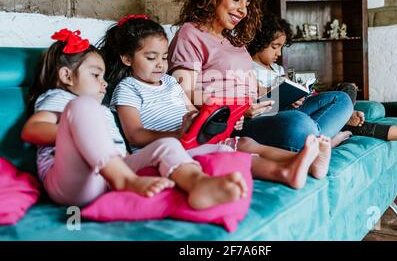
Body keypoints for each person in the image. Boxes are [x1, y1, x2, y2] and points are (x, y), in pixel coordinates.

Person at [100, 15, 332, 189]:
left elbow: (193, 112)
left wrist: (221, 120)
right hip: (163, 151)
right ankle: (283, 172)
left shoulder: (170, 82)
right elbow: (134, 135)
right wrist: (178, 135)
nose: (160, 64)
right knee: (230, 154)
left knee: (245, 142)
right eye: (151, 58)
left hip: (189, 141)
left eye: (163, 57)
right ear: (126, 58)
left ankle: (304, 160)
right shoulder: (127, 88)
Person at [168, 0, 353, 157]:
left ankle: (313, 142)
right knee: (298, 125)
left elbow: (255, 88)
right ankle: (321, 141)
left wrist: (283, 95)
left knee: (339, 99)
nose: (243, 10)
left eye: (246, 3)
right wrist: (238, 109)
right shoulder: (190, 34)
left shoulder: (234, 41)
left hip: (262, 110)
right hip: (235, 122)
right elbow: (186, 91)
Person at [21, 28, 177, 207]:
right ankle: (125, 180)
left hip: (107, 177)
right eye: (96, 75)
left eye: (103, 76)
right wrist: (79, 134)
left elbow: (116, 147)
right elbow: (31, 130)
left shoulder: (100, 110)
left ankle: (196, 181)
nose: (104, 83)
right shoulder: (62, 98)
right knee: (84, 106)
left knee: (167, 145)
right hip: (73, 183)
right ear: (67, 76)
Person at [248, 13, 397, 148]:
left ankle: (344, 119)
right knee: (337, 106)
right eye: (274, 47)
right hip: (282, 116)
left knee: (345, 91)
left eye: (281, 47)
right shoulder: (248, 68)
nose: (279, 53)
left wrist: (298, 96)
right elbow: (257, 110)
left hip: (300, 109)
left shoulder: (278, 69)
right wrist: (279, 97)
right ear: (260, 42)